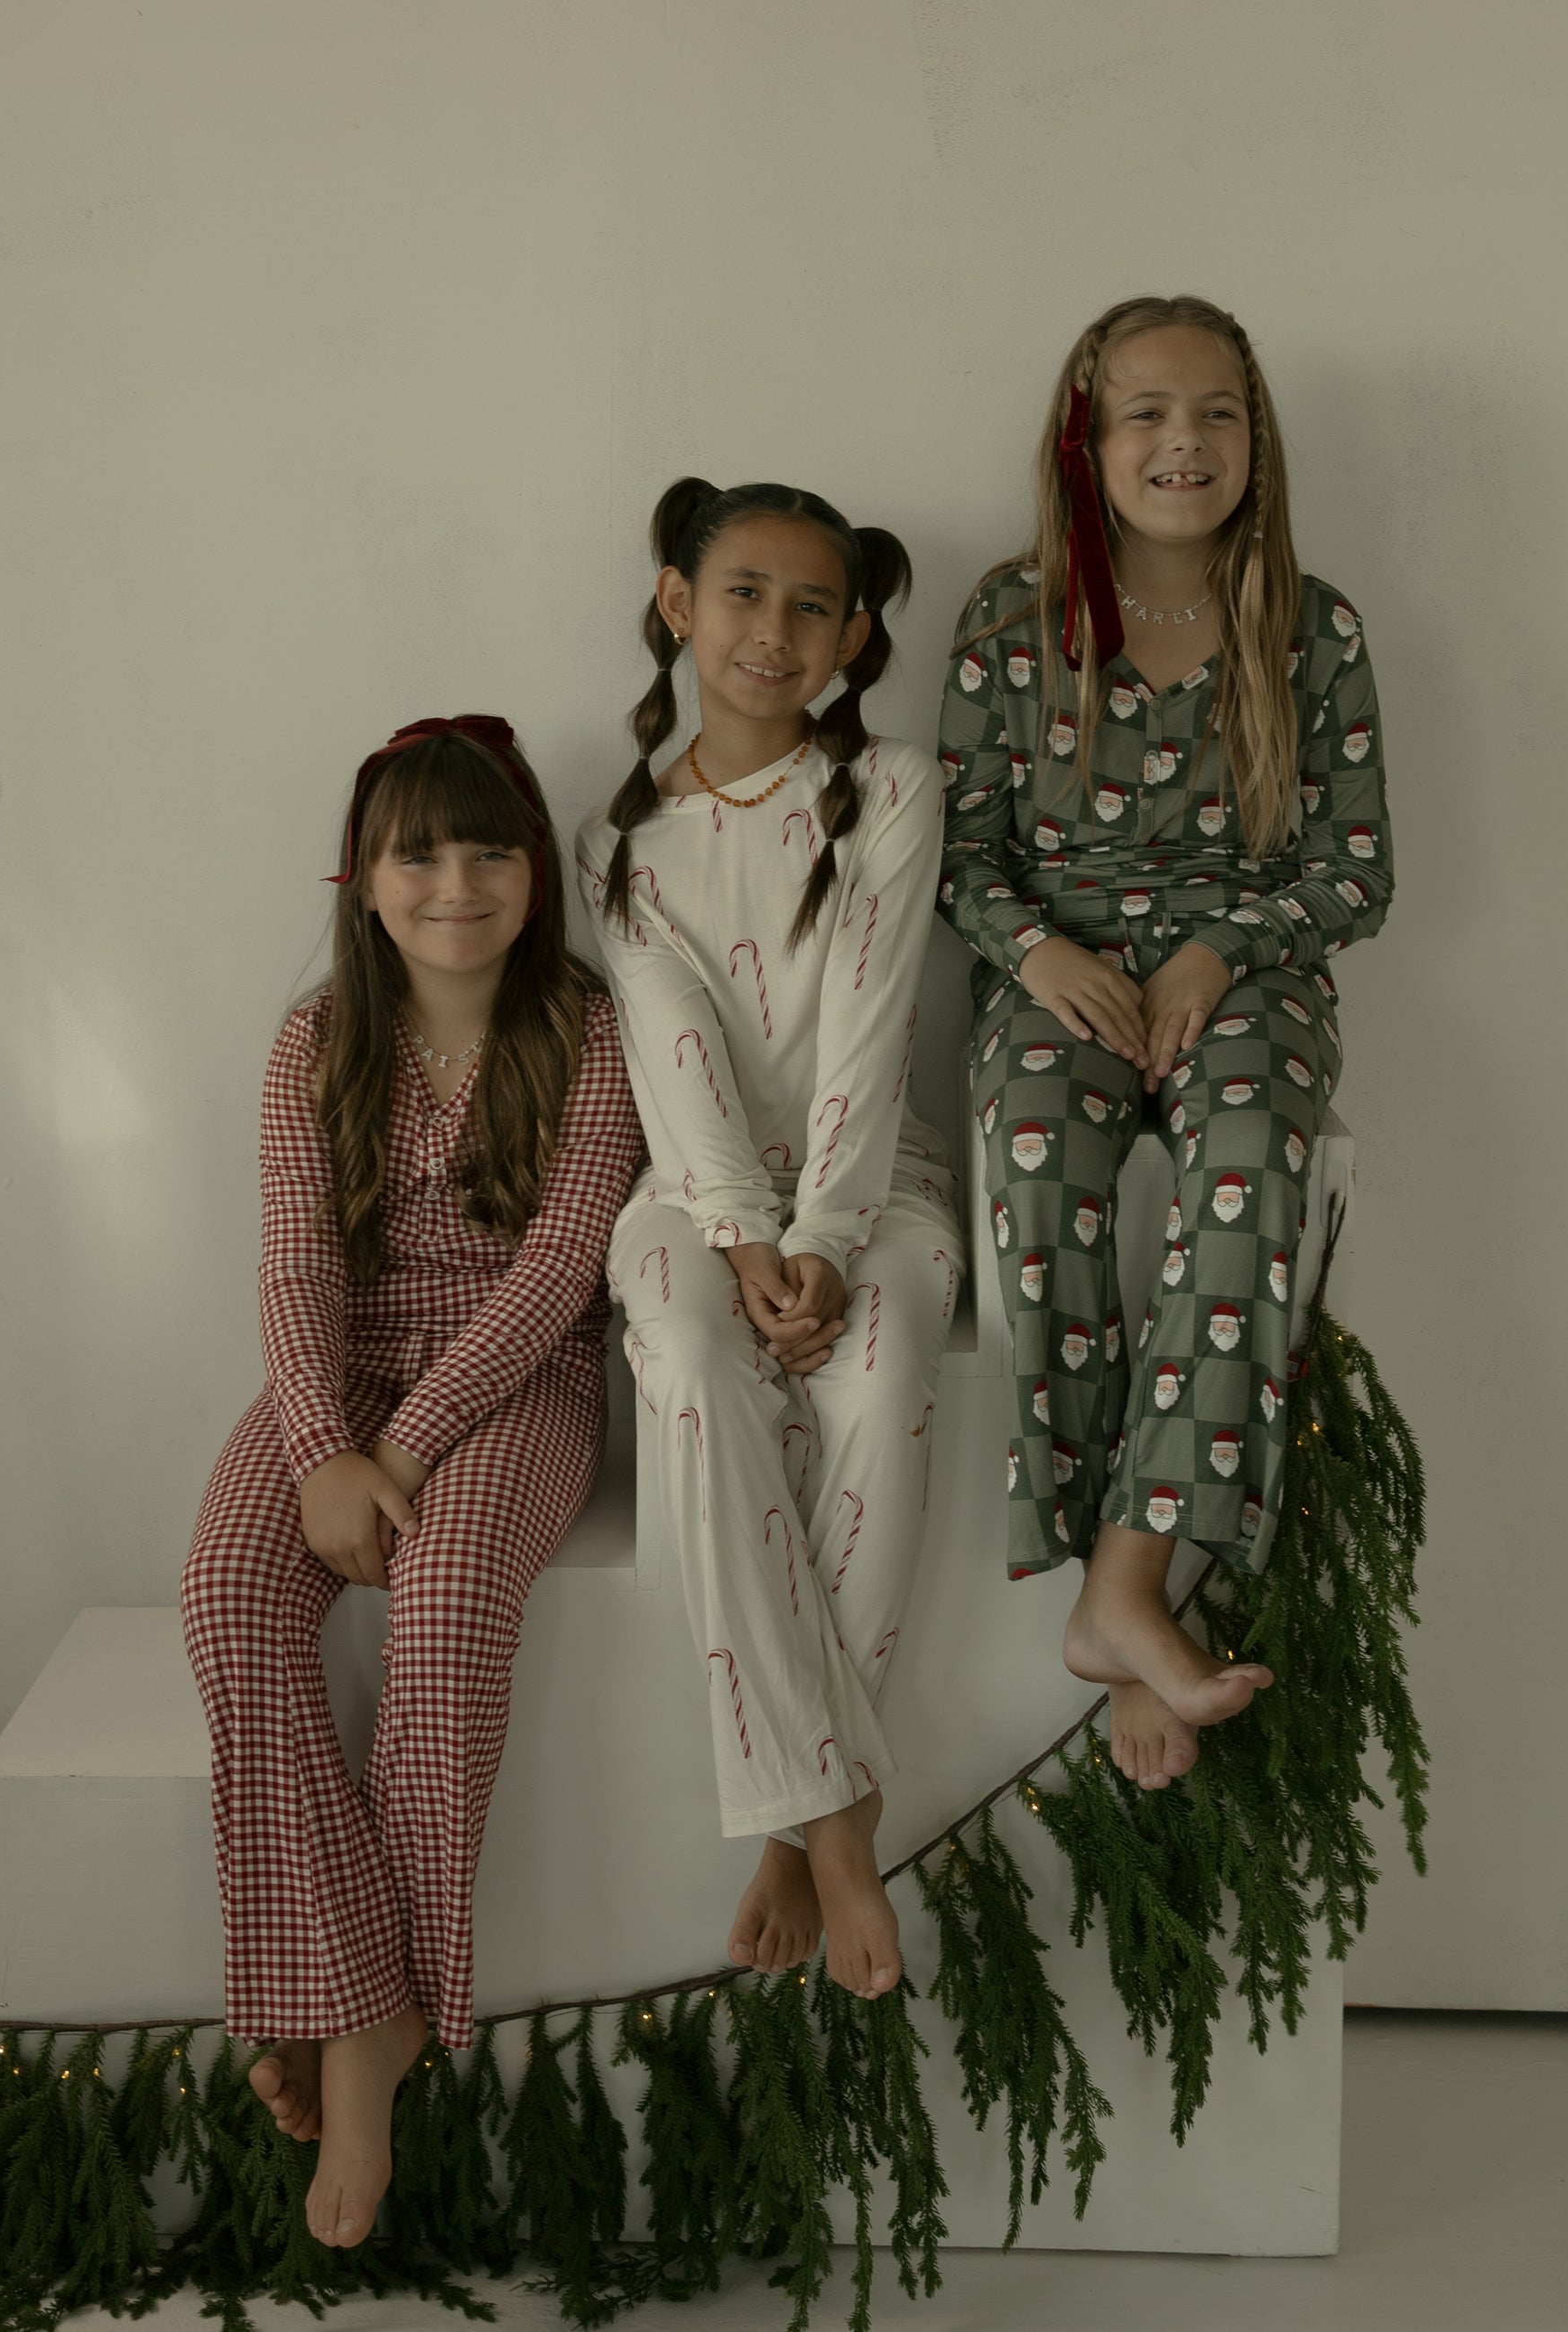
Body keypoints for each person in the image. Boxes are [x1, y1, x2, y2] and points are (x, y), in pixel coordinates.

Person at [181, 715, 642, 2249]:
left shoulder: (589, 1028)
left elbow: (557, 1272)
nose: (457, 882)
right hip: (342, 1377)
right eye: (419, 853)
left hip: (515, 1386)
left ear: (535, 870)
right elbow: (294, 1260)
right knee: (230, 1593)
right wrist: (322, 1444)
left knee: (442, 1612)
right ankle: (353, 1991)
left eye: (489, 848)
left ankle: (373, 2045)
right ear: (365, 881)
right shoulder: (317, 1039)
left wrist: (404, 1449)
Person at [937, 295, 1392, 1794]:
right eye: (1145, 413)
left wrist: (1219, 947)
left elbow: (1352, 867)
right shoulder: (1011, 620)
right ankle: (1125, 1611)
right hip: (1057, 968)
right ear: (1086, 436)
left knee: (1251, 1151)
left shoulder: (1309, 627)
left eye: (1213, 414)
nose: (1181, 444)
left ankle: (1127, 1580)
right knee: (1032, 1157)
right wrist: (1039, 953)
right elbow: (956, 854)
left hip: (1244, 963)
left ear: (1254, 439)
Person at [578, 479, 962, 2002]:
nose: (771, 631)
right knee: (683, 1356)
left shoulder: (895, 786)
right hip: (694, 1189)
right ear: (677, 602)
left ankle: (794, 1825)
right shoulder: (621, 838)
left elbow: (869, 1023)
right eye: (740, 593)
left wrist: (827, 1238)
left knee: (878, 1377)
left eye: (811, 606)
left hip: (878, 1180)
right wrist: (740, 1242)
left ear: (854, 634)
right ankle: (841, 1815)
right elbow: (671, 1050)